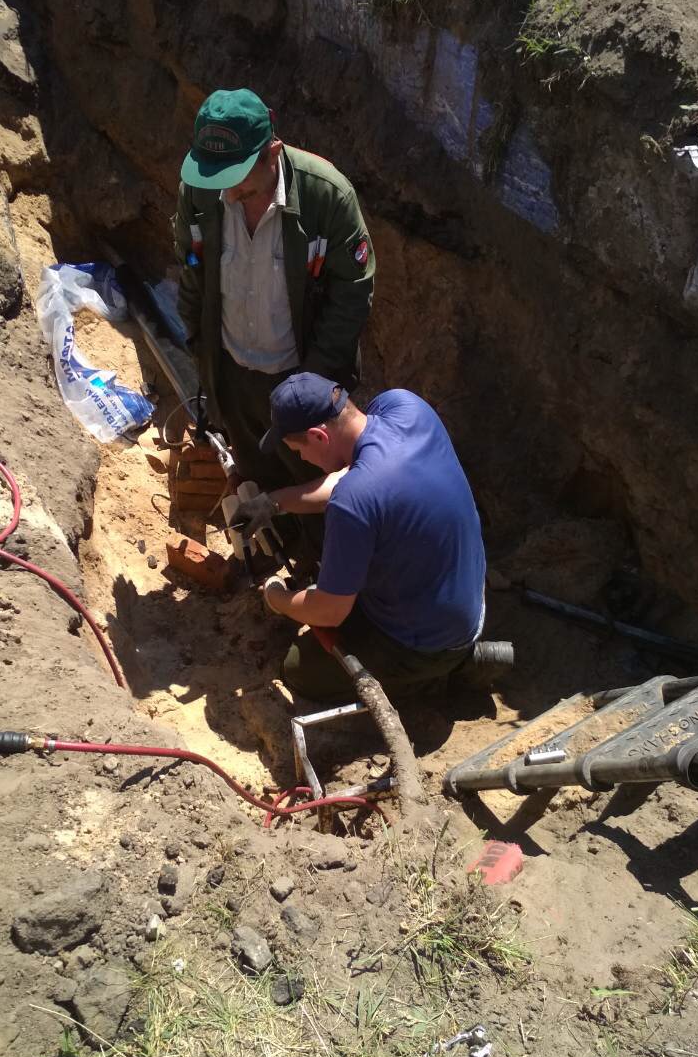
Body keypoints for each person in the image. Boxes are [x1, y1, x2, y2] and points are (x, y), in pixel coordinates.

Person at [230, 373, 488, 702]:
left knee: (298, 669)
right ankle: (453, 658)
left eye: (298, 450)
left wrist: (276, 596)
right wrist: (274, 502)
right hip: (469, 600)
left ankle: (435, 676)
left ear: (318, 436)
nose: (302, 459)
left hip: (427, 643)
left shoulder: (352, 502)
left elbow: (329, 612)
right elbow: (357, 479)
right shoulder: (405, 407)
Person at [173, 88, 375, 493]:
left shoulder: (327, 197)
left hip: (303, 375)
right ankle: (268, 532)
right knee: (257, 480)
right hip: (233, 375)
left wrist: (308, 388)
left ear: (273, 153)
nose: (229, 194)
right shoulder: (200, 191)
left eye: (240, 183)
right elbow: (191, 270)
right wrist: (201, 349)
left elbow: (352, 294)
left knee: (315, 489)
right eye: (219, 180)